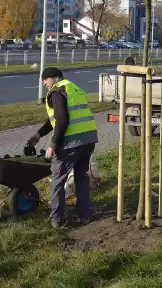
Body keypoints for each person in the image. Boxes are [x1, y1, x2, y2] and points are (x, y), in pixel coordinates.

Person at [28, 67, 98, 228]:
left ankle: (58, 220)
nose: (44, 83)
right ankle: (85, 215)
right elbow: (55, 118)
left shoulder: (56, 91)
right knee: (81, 176)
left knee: (58, 180)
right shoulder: (73, 88)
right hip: (88, 139)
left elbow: (62, 120)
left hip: (71, 144)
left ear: (54, 78)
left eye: (45, 79)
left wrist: (53, 144)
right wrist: (39, 134)